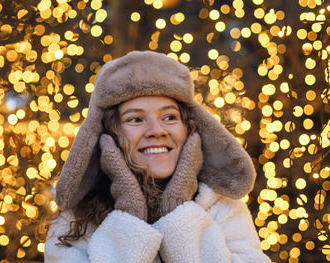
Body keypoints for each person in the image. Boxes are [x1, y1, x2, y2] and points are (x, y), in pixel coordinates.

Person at [44, 50, 271, 263]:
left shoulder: (222, 205)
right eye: (136, 119)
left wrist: (179, 211)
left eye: (170, 117)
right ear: (110, 135)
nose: (157, 130)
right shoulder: (74, 221)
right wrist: (129, 217)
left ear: (189, 129)